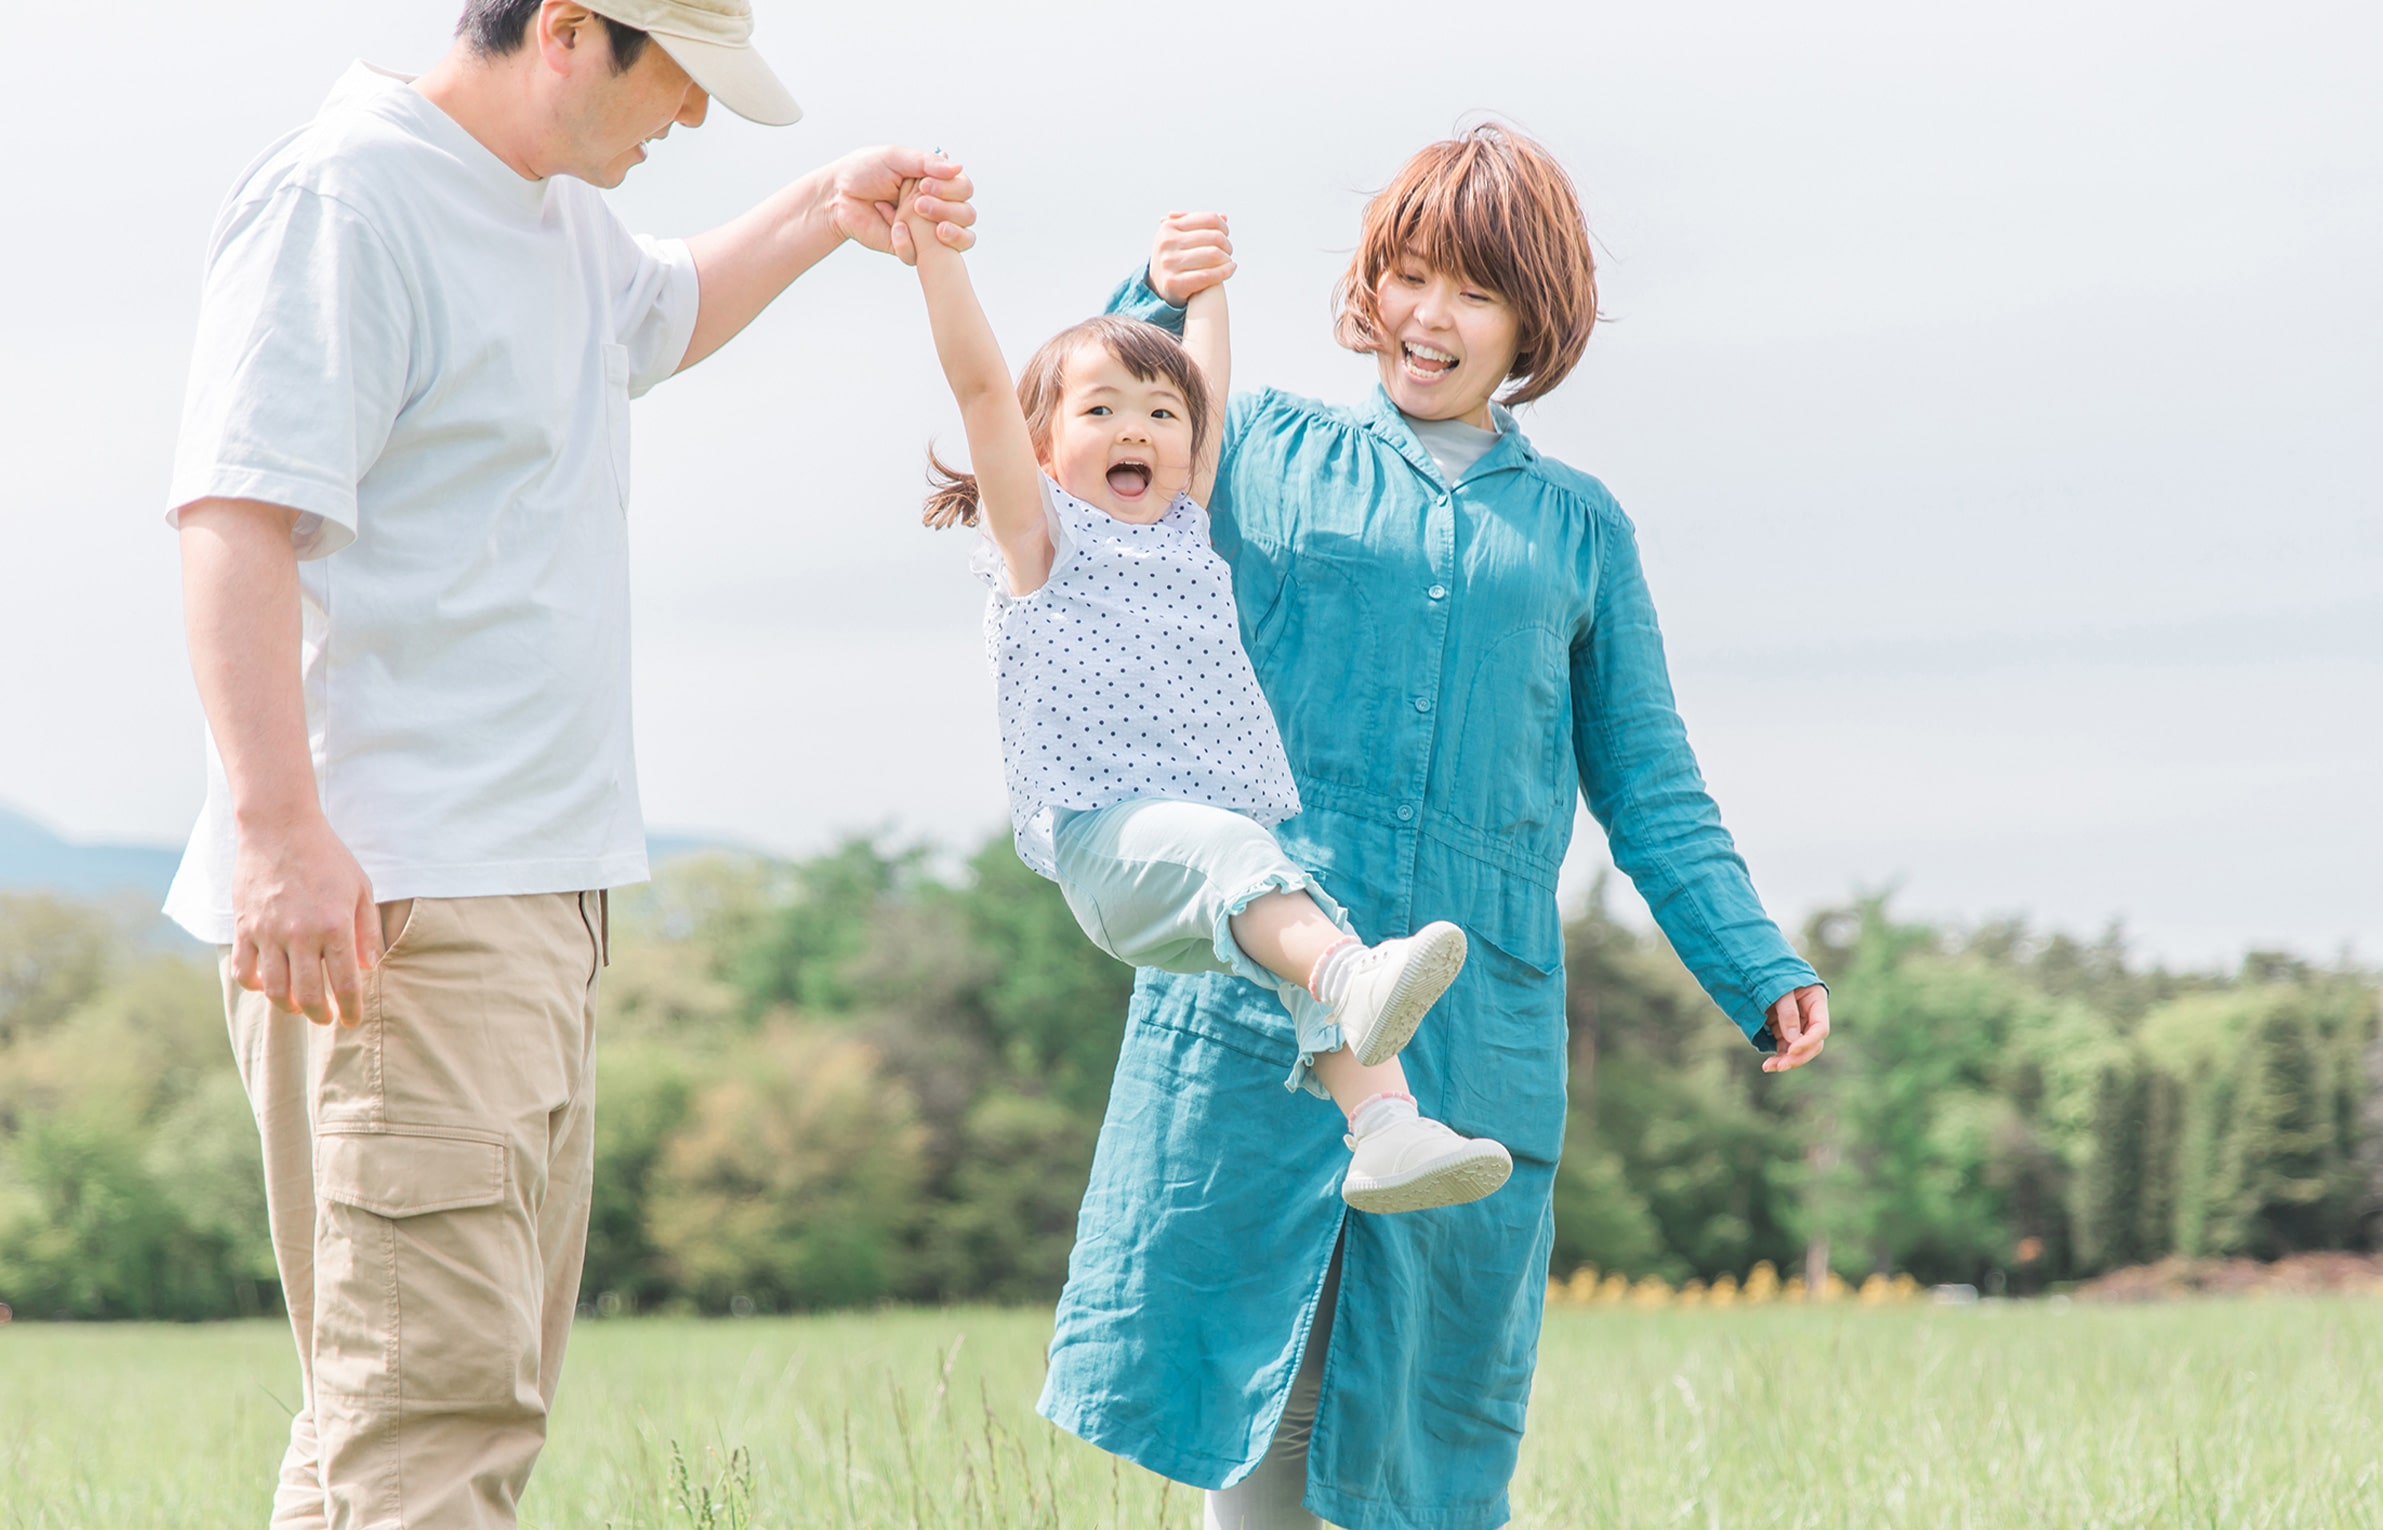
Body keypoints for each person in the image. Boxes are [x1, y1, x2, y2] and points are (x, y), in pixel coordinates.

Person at [161, 3, 973, 1525]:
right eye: (680, 77)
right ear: (562, 31)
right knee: (428, 1437)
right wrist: (278, 830)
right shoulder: (347, 196)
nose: (695, 121)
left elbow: (661, 310)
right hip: (404, 909)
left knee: (408, 1429)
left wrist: (818, 210)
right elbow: (234, 514)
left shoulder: (552, 220)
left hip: (532, 904)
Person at [1036, 126, 1834, 1530]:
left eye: (1469, 289)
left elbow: (1645, 782)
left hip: (1473, 1020)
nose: (1425, 316)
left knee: (1422, 1445)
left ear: (1530, 317)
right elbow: (1098, 442)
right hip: (1278, 986)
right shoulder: (1259, 445)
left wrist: (1752, 961)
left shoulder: (1578, 530)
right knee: (1255, 1403)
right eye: (1404, 274)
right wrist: (1153, 294)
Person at [891, 187, 1512, 1214]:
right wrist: (933, 257)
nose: (1136, 429)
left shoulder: (1185, 527)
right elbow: (981, 390)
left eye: (1158, 415)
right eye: (1099, 412)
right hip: (1111, 847)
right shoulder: (1041, 544)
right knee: (1283, 904)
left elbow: (1206, 389)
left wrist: (1212, 289)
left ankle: (1387, 1133)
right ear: (1043, 451)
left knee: (1297, 914)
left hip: (1200, 866)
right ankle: (1353, 982)